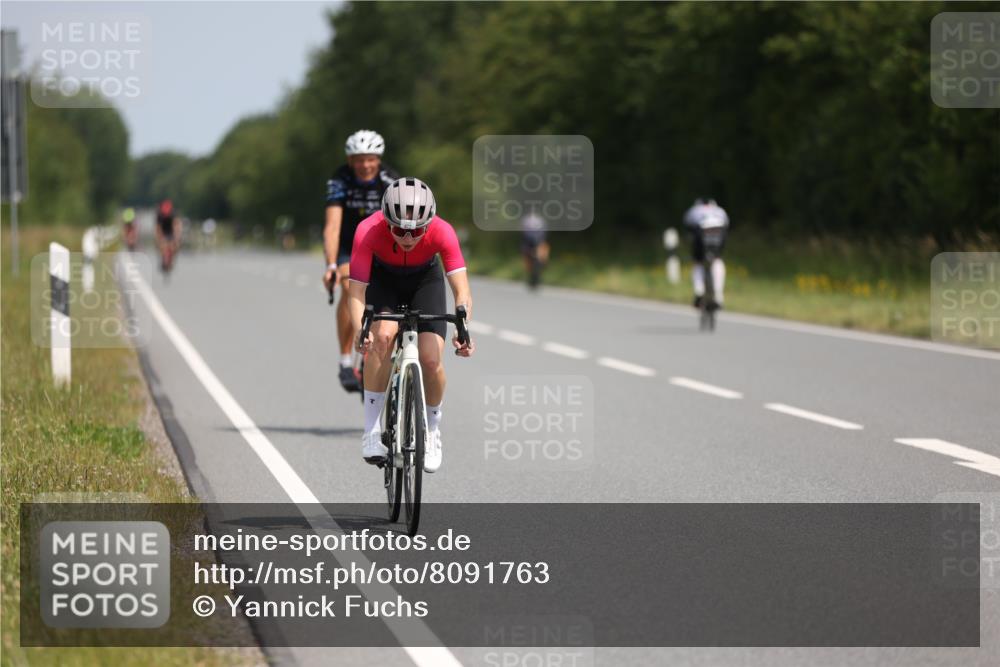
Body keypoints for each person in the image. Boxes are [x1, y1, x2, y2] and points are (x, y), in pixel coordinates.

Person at [348, 178, 474, 473]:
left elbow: (462, 290)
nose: (407, 237)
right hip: (384, 281)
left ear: (429, 224)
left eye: (416, 231)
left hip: (424, 280)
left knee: (431, 359)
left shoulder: (443, 231)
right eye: (399, 229)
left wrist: (463, 327)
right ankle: (371, 432)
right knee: (382, 336)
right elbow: (355, 291)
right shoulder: (368, 230)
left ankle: (431, 432)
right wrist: (359, 328)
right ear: (386, 222)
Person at [323, 130, 398, 393]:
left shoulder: (390, 179)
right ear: (350, 159)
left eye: (370, 159)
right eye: (358, 159)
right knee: (348, 285)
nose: (364, 165)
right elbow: (332, 226)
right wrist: (331, 265)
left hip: (380, 244)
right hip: (348, 245)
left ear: (378, 159)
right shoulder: (340, 179)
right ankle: (345, 361)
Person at [682, 198, 729, 308]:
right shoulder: (720, 210)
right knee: (717, 260)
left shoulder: (694, 209)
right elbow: (727, 225)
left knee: (698, 263)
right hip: (719, 231)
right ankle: (718, 295)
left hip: (701, 231)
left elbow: (688, 226)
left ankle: (699, 291)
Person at [520, 209, 549, 290]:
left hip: (536, 242)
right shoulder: (529, 220)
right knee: (529, 259)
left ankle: (536, 277)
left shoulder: (528, 220)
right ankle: (533, 277)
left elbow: (544, 232)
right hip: (531, 243)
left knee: (541, 258)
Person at [155, 199, 181, 272]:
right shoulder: (159, 214)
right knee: (162, 245)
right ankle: (164, 256)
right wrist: (159, 240)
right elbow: (158, 229)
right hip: (164, 230)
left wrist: (177, 239)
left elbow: (176, 226)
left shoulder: (173, 214)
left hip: (171, 230)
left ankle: (171, 257)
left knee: (174, 246)